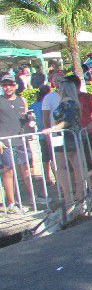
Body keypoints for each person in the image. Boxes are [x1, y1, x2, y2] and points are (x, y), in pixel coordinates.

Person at [43, 79, 85, 205]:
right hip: (74, 134)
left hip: (64, 136)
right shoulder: (75, 103)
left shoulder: (68, 103)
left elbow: (66, 121)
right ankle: (78, 193)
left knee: (62, 167)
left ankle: (70, 195)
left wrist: (53, 128)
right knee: (76, 166)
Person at [0, 75, 34, 213]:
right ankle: (12, 203)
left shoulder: (22, 100)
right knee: (9, 171)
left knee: (26, 169)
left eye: (10, 84)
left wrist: (30, 121)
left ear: (15, 85)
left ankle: (33, 198)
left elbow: (26, 118)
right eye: (4, 85)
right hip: (6, 141)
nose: (7, 87)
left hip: (21, 139)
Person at [66, 75, 92, 172]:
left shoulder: (87, 97)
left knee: (89, 162)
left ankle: (89, 186)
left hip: (85, 134)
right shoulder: (64, 100)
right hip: (69, 136)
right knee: (71, 165)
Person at [31, 85, 55, 187]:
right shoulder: (47, 103)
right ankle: (56, 178)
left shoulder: (35, 104)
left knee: (46, 158)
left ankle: (47, 178)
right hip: (50, 132)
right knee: (54, 157)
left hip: (42, 134)